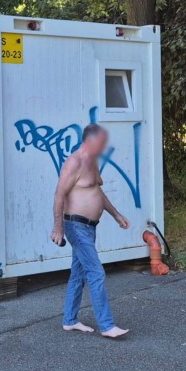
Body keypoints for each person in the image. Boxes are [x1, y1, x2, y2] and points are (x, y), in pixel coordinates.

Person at [51, 123, 130, 339]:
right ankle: (107, 326)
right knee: (96, 273)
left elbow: (97, 191)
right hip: (75, 226)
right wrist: (57, 228)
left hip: (89, 227)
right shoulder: (74, 162)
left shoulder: (92, 161)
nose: (105, 146)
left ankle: (70, 320)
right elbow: (59, 194)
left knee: (78, 274)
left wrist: (116, 215)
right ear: (90, 140)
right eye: (102, 142)